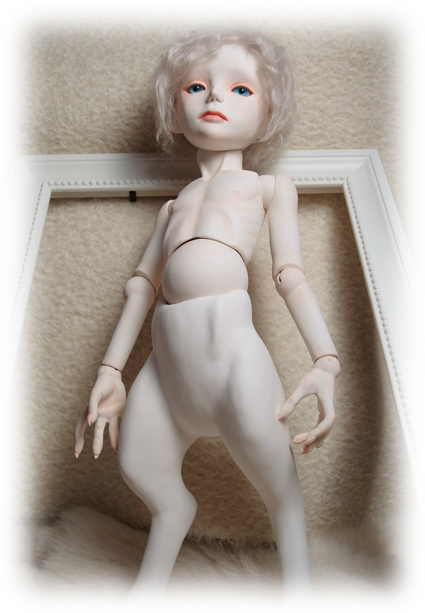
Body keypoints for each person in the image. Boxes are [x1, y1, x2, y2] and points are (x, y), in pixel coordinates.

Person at [74, 30, 340, 593]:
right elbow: (142, 287)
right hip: (167, 359)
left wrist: (326, 358)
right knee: (140, 466)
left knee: (278, 487)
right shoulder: (173, 207)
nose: (216, 96)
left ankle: (300, 593)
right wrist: (110, 371)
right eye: (196, 86)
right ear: (175, 112)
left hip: (229, 348)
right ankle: (153, 575)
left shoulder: (268, 187)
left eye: (241, 89)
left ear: (267, 118)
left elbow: (288, 275)